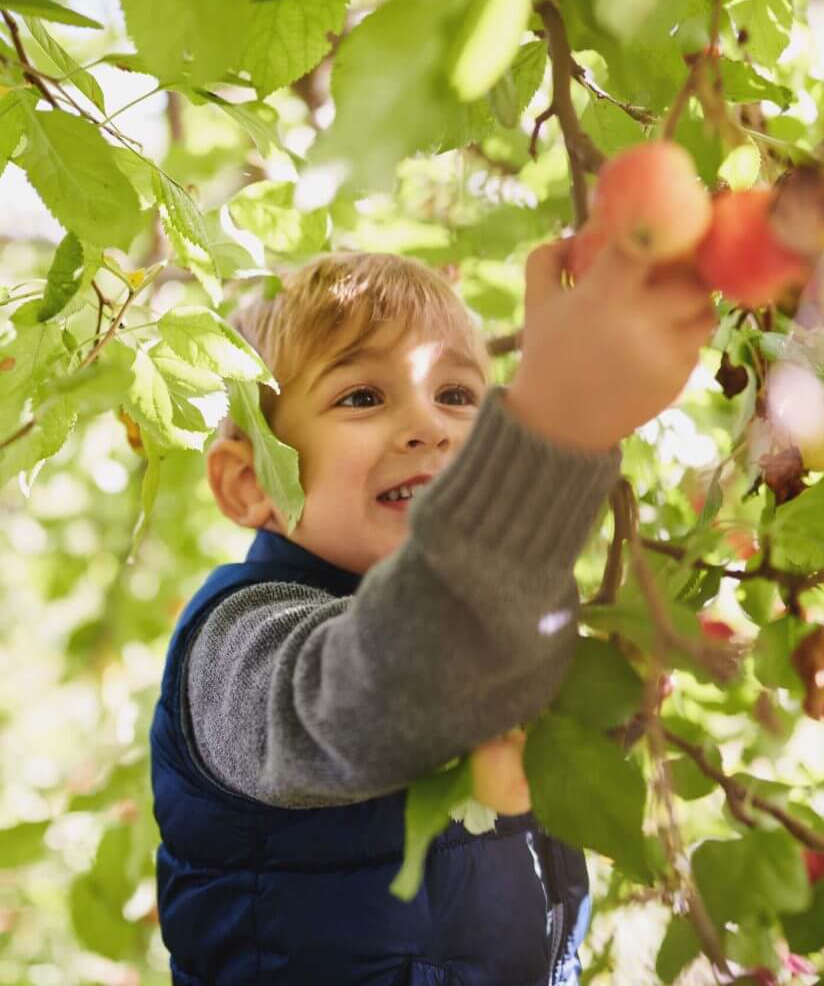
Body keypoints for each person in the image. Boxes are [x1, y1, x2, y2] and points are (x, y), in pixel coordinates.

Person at [149, 242, 715, 985]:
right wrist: (557, 426)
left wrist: (594, 707)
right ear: (254, 482)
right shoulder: (238, 643)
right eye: (361, 397)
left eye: (457, 396)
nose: (431, 427)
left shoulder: (486, 611)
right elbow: (378, 692)